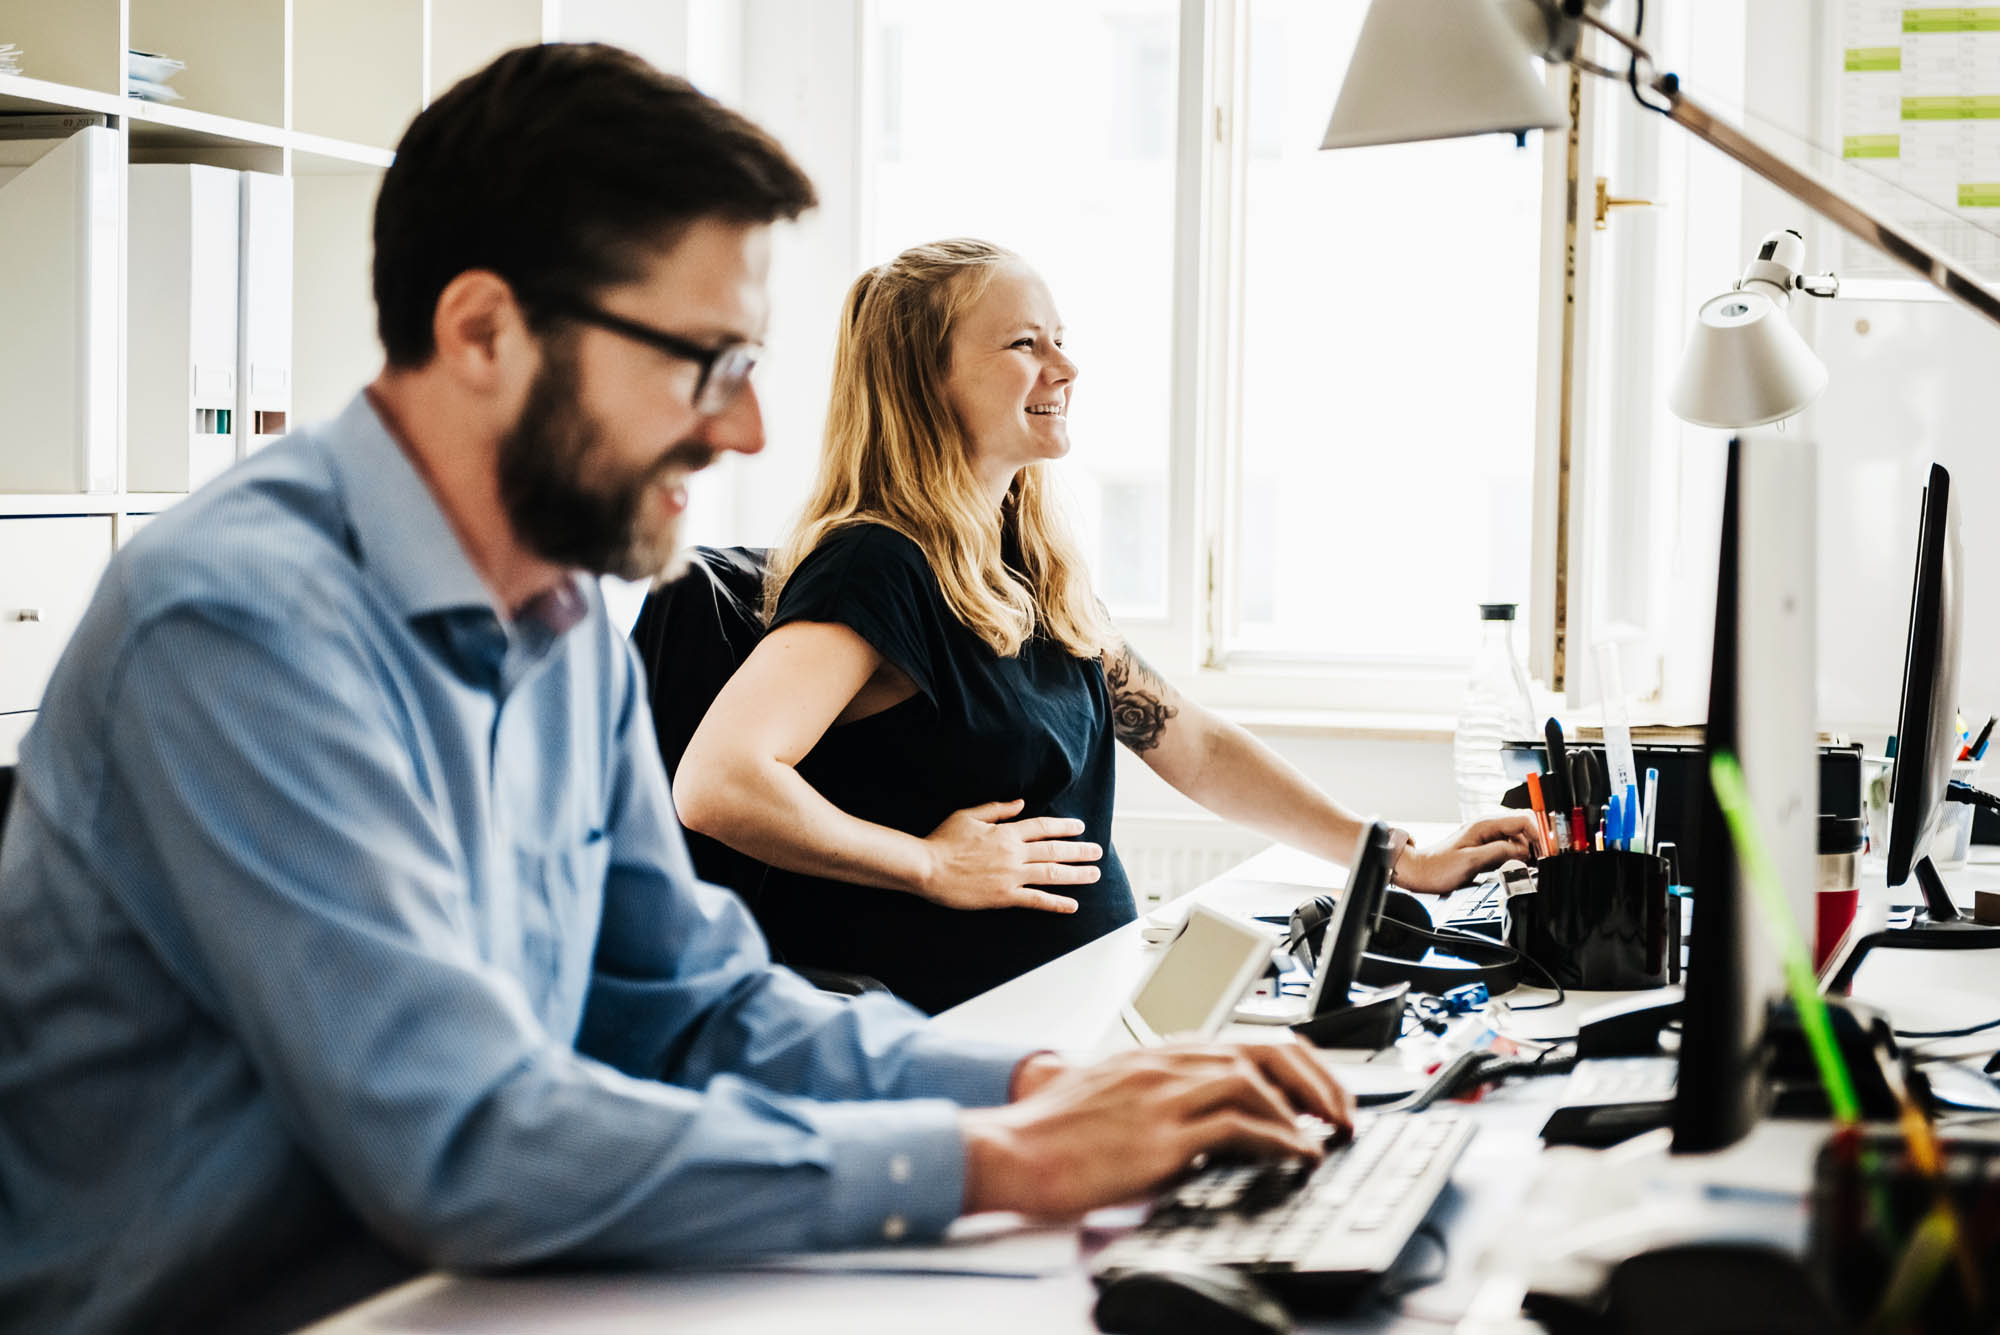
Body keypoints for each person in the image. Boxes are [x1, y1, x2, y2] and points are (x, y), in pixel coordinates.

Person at [0, 45, 1359, 1335]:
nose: (746, 431)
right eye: (703, 362)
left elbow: (693, 999)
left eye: (750, 364)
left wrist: (1044, 1079)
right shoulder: (241, 624)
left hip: (490, 1284)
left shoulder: (561, 615)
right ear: (483, 330)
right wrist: (991, 1154)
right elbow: (463, 1135)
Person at [674, 239, 1540, 1014]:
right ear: (926, 378)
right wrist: (928, 864)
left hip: (1092, 1001)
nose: (1065, 366)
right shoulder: (878, 565)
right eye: (1024, 343)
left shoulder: (1021, 560)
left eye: (1060, 337)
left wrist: (1390, 858)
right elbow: (719, 780)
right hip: (981, 1030)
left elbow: (1188, 743)